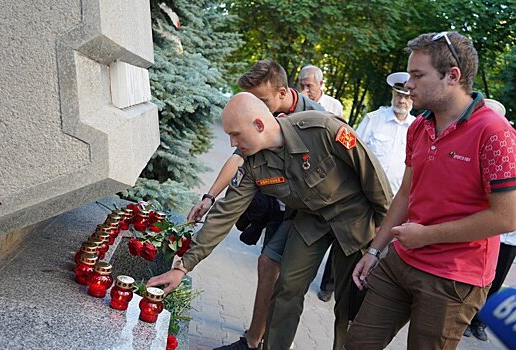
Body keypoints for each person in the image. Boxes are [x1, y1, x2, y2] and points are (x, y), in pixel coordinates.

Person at [147, 92, 392, 350]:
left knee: (347, 307)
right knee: (287, 289)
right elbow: (224, 214)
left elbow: (373, 176)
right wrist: (182, 267)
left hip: (355, 219)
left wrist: (382, 233)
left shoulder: (323, 129)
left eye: (236, 134)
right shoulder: (253, 165)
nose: (231, 142)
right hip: (311, 222)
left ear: (259, 125)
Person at [345, 31, 516, 350]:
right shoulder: (419, 126)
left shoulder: (495, 133)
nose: (408, 84)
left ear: (452, 76)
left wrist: (427, 235)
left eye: (417, 75)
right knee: (357, 342)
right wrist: (374, 250)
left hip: (454, 279)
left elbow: (507, 217)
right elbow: (406, 194)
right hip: (399, 260)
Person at [186, 60, 324, 350]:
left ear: (283, 93)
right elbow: (240, 158)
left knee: (287, 281)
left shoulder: (315, 118)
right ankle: (254, 339)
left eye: (261, 100)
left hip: (312, 213)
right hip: (278, 203)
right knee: (267, 264)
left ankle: (269, 340)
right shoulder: (261, 115)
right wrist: (210, 197)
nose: (256, 106)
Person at [317, 72, 415, 304]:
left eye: (407, 96)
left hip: (394, 200)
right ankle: (329, 284)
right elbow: (352, 152)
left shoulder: (417, 127)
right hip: (364, 194)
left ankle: (358, 289)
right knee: (346, 238)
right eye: (399, 95)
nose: (402, 100)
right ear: (393, 93)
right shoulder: (374, 119)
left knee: (377, 245)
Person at [463, 99, 516, 342]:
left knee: (496, 278)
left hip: (510, 232)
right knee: (473, 275)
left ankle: (479, 321)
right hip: (482, 224)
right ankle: (465, 316)